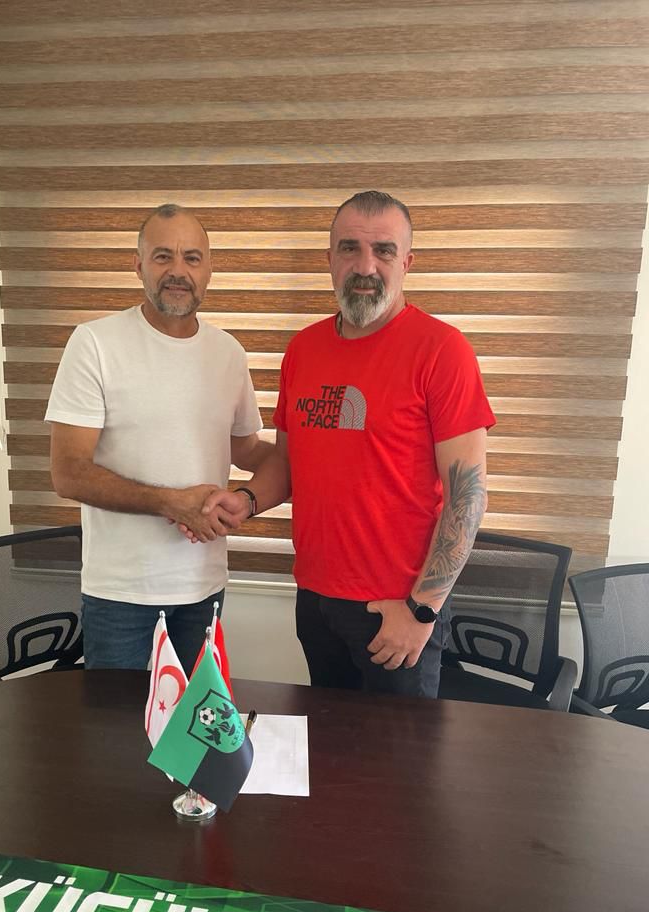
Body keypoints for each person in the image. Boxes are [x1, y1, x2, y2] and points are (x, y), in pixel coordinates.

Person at [192, 191, 495, 697]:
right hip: (316, 601)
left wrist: (422, 610)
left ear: (407, 261)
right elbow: (288, 462)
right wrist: (245, 499)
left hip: (395, 609)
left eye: (383, 250)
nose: (365, 266)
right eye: (350, 248)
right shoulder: (303, 350)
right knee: (328, 743)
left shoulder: (443, 352)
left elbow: (468, 495)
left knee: (397, 750)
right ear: (330, 258)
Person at [45, 204, 270, 673]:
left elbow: (247, 449)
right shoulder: (95, 343)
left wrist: (321, 459)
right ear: (138, 264)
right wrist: (171, 502)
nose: (178, 271)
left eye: (192, 258)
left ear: (209, 269)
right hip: (120, 595)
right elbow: (69, 473)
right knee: (115, 721)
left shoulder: (228, 353)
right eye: (163, 256)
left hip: (204, 587)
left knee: (194, 720)